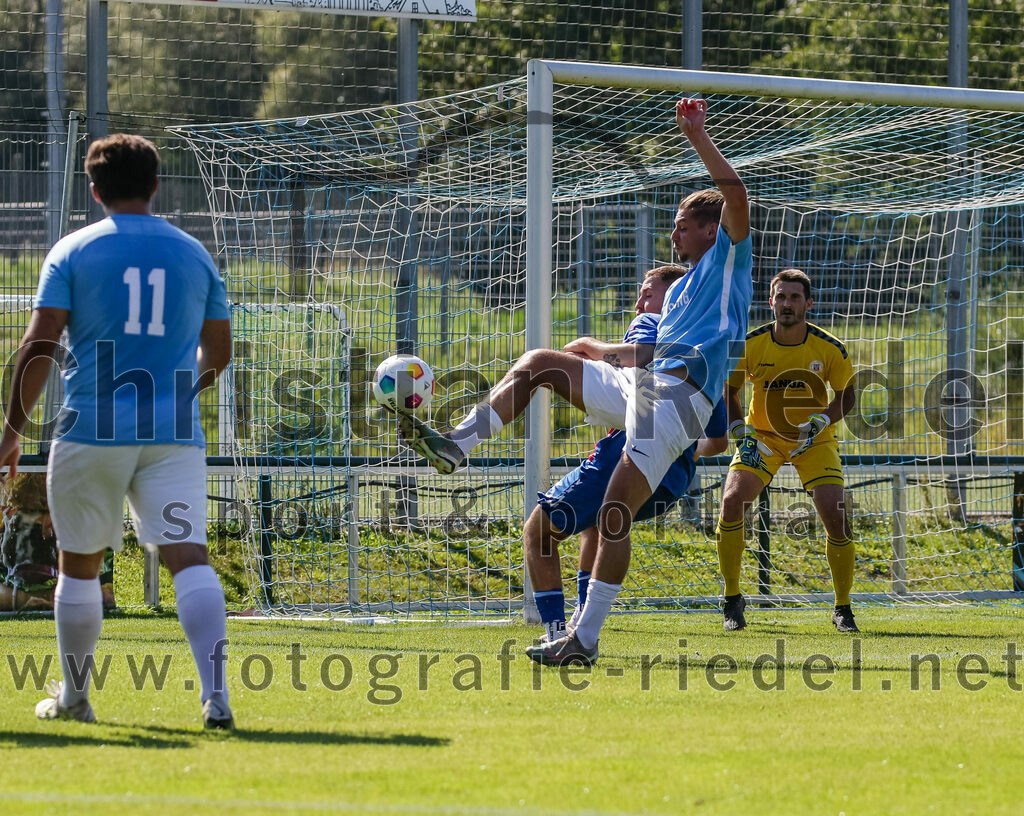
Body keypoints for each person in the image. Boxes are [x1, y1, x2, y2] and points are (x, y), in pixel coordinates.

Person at [399, 98, 752, 665]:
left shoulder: (729, 256)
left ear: (713, 230)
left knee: (612, 516)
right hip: (646, 392)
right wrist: (603, 352)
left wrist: (697, 137)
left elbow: (735, 195)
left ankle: (581, 640)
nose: (675, 237)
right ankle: (454, 445)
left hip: (678, 403)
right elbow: (647, 350)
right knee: (540, 361)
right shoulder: (680, 290)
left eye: (683, 227)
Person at [0, 134, 234, 726]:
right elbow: (220, 352)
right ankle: (217, 697)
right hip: (172, 438)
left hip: (90, 435)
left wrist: (11, 428)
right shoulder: (193, 253)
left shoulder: (73, 252)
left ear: (95, 189)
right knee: (189, 557)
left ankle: (75, 698)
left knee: (80, 564)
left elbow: (41, 341)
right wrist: (186, 391)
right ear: (156, 185)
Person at [527, 266, 728, 644]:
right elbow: (718, 441)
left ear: (673, 303)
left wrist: (596, 354)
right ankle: (579, 627)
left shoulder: (651, 325)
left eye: (648, 294)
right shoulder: (705, 358)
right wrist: (677, 450)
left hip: (625, 455)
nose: (639, 304)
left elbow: (642, 361)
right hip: (672, 480)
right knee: (599, 527)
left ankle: (557, 632)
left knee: (538, 534)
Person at [716, 268, 858, 632]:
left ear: (808, 304)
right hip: (763, 437)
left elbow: (847, 397)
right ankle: (732, 599)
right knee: (732, 502)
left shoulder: (830, 348)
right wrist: (737, 429)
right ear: (771, 302)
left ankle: (843, 607)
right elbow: (728, 390)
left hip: (814, 439)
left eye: (795, 297)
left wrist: (822, 422)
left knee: (836, 515)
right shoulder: (751, 344)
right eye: (781, 297)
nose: (787, 304)